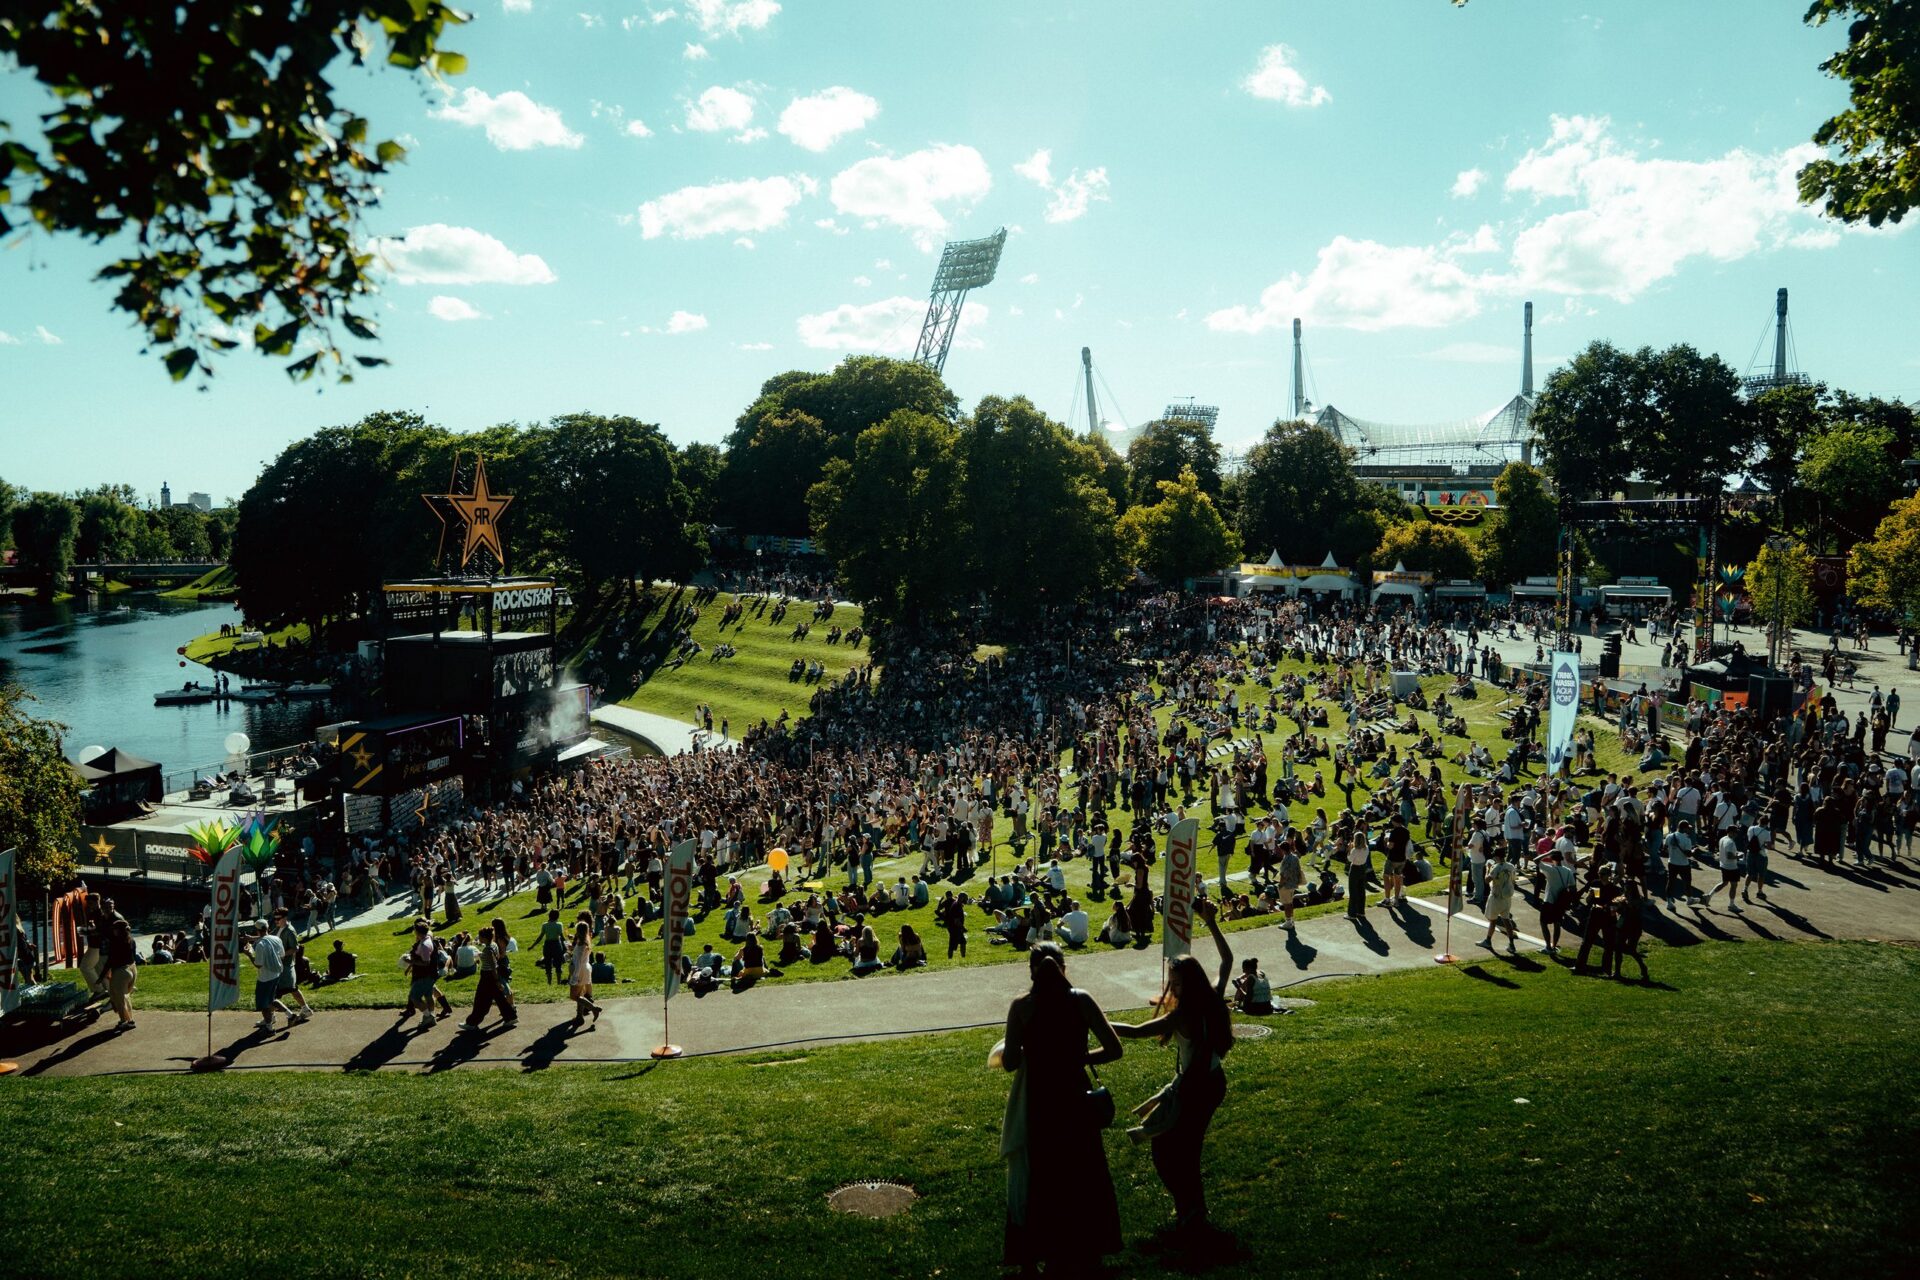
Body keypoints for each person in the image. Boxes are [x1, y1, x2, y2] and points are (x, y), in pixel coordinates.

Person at [1112, 898, 1235, 1249]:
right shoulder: (1211, 999)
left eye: (1178, 984)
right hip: (1210, 1083)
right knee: (1180, 1149)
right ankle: (1191, 1210)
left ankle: (1190, 1211)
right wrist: (1211, 922)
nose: (1174, 989)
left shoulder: (1183, 1015)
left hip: (1198, 1088)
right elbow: (1226, 961)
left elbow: (1137, 1032)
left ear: (1189, 983)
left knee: (1172, 1152)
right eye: (1173, 983)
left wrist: (1096, 1021)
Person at [996, 942, 1125, 1275]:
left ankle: (1040, 1249)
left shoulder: (1022, 1006)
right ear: (1064, 968)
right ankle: (1085, 1245)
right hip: (1075, 1094)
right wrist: (1079, 1056)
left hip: (1040, 1099)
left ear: (1031, 971)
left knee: (1042, 1176)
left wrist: (1021, 1051)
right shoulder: (1081, 1000)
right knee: (1083, 1171)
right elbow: (1114, 1049)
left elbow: (1010, 1063)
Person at [244, 922, 296, 1032]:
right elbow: (282, 955)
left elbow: (258, 964)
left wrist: (249, 955)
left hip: (265, 978)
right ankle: (290, 1015)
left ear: (257, 930)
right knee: (271, 1000)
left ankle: (269, 1028)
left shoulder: (260, 945)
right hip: (276, 974)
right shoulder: (277, 939)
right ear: (267, 928)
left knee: (264, 1005)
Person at [1482, 846, 1519, 954]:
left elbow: (1487, 880)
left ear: (1497, 856)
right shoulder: (1511, 866)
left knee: (1492, 920)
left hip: (1496, 897)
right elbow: (1513, 880)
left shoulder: (1496, 867)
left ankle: (1488, 941)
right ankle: (1511, 944)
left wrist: (1487, 868)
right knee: (1506, 920)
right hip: (1507, 897)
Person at [105, 918, 138, 1033]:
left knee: (119, 998)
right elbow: (133, 956)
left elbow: (111, 960)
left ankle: (125, 1021)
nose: (113, 931)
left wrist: (103, 975)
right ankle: (130, 1020)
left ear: (118, 930)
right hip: (132, 969)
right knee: (126, 997)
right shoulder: (131, 940)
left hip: (121, 972)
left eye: (114, 929)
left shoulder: (116, 942)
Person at [568, 919, 602, 1025]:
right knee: (580, 994)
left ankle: (594, 1008)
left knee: (574, 996)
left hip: (580, 971)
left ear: (578, 931)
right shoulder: (585, 942)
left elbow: (578, 962)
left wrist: (574, 978)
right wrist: (572, 951)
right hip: (585, 969)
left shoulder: (581, 945)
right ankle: (579, 1017)